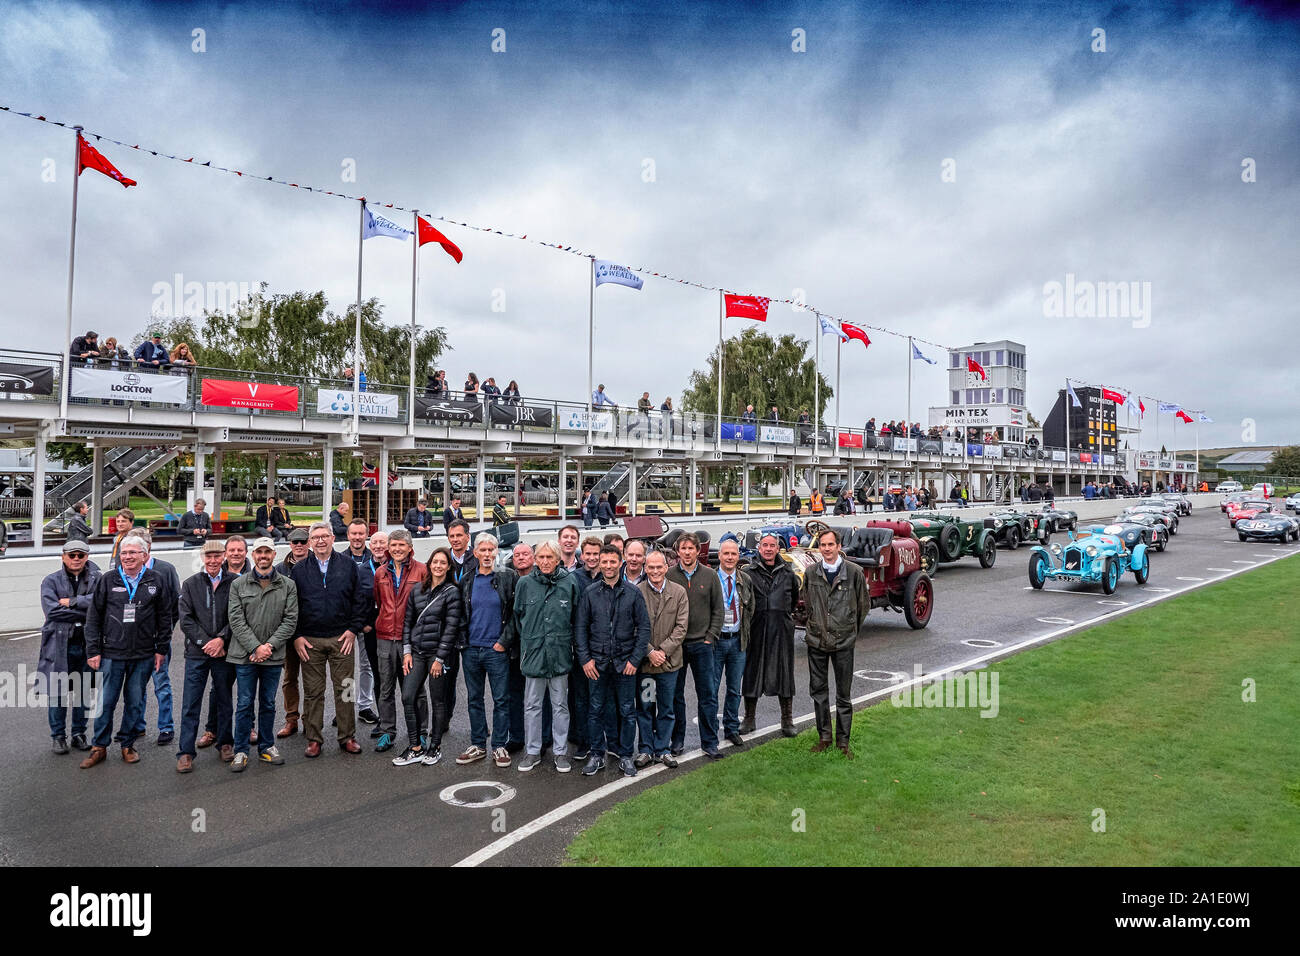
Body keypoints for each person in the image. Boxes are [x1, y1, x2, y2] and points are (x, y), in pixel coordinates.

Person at [79, 534, 170, 768]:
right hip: (112, 653)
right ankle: (99, 746)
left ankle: (127, 744)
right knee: (105, 702)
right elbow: (93, 618)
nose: (127, 557)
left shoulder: (156, 579)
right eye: (124, 553)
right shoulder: (107, 580)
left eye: (132, 553)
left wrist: (161, 649)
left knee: (135, 701)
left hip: (143, 654)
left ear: (144, 555)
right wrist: (93, 651)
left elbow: (164, 617)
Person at [289, 521, 368, 757]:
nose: (321, 541)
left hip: (341, 638)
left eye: (325, 536)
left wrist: (353, 630)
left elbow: (359, 599)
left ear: (333, 538)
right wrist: (297, 637)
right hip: (310, 641)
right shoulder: (299, 570)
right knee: (313, 692)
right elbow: (291, 607)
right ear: (310, 542)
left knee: (346, 689)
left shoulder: (348, 565)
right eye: (316, 537)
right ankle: (314, 739)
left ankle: (347, 736)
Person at [576, 544, 650, 777]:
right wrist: (585, 659)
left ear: (621, 563)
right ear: (600, 563)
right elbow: (580, 628)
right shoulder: (590, 593)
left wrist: (635, 660)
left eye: (612, 562)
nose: (608, 566)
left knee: (628, 710)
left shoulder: (633, 593)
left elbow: (644, 628)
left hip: (625, 663)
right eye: (604, 562)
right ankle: (597, 754)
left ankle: (626, 755)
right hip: (596, 664)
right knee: (595, 709)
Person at [226, 538, 296, 771]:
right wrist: (255, 647)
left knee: (268, 702)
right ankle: (241, 750)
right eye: (259, 552)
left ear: (274, 554)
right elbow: (236, 620)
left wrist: (269, 647)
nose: (263, 556)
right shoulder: (238, 585)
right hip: (245, 656)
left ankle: (266, 746)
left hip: (273, 657)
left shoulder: (287, 584)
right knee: (244, 703)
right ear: (253, 555)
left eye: (267, 552)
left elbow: (290, 620)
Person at [512, 540, 581, 773]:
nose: (544, 561)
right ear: (535, 559)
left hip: (560, 655)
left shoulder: (570, 582)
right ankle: (533, 751)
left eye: (549, 557)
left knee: (560, 705)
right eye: (540, 557)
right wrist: (531, 642)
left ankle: (560, 753)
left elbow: (575, 618)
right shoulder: (524, 583)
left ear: (558, 558)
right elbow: (518, 617)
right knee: (532, 705)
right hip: (533, 655)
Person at [801, 528, 870, 759]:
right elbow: (808, 603)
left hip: (844, 642)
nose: (827, 549)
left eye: (831, 545)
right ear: (819, 548)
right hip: (817, 641)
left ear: (839, 546)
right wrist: (816, 625)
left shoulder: (855, 573)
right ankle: (824, 737)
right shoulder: (811, 573)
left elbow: (863, 607)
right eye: (823, 545)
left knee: (843, 695)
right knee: (818, 692)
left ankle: (843, 741)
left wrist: (850, 630)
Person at [175, 540, 239, 772]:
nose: (213, 561)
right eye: (208, 556)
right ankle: (185, 752)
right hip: (197, 653)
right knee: (191, 703)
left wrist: (222, 639)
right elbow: (186, 619)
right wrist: (206, 642)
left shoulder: (235, 583)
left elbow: (237, 616)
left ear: (224, 556)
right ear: (203, 558)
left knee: (224, 700)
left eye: (217, 556)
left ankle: (225, 742)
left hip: (224, 651)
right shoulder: (191, 584)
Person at [396, 547, 462, 766]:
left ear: (448, 567)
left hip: (438, 656)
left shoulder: (452, 592)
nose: (438, 566)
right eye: (435, 562)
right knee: (407, 696)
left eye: (443, 563)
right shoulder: (417, 590)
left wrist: (440, 658)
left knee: (438, 700)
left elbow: (451, 628)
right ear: (429, 564)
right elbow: (407, 622)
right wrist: (407, 652)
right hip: (417, 652)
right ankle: (415, 746)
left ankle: (435, 747)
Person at [456, 533, 518, 768]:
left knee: (501, 699)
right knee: (474, 698)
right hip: (471, 649)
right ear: (475, 553)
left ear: (496, 552)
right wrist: (464, 642)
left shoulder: (508, 577)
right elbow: (461, 613)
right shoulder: (468, 579)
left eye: (491, 550)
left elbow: (514, 614)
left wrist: (504, 641)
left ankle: (499, 744)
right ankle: (478, 743)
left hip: (497, 650)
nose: (487, 554)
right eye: (483, 550)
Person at [39, 541, 101, 755]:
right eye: (72, 555)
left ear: (87, 557)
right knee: (57, 693)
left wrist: (73, 601)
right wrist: (86, 611)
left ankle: (78, 734)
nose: (76, 559)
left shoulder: (97, 579)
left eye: (80, 555)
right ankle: (58, 736)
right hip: (59, 645)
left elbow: (100, 605)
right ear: (63, 556)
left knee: (84, 692)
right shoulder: (50, 581)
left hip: (87, 644)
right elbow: (53, 612)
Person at [667, 532, 725, 760]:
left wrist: (710, 636)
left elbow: (718, 610)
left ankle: (710, 742)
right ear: (678, 551)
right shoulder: (669, 575)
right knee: (675, 696)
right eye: (684, 549)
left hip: (703, 644)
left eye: (692, 548)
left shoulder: (710, 575)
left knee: (708, 695)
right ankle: (677, 741)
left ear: (698, 551)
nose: (688, 552)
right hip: (677, 646)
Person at [372, 529, 426, 754]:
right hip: (385, 635)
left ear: (410, 548)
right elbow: (378, 600)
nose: (397, 549)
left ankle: (421, 732)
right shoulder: (381, 573)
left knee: (415, 689)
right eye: (393, 545)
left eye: (401, 545)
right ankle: (387, 731)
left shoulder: (422, 570)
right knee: (385, 688)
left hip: (411, 638)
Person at [741, 531, 800, 737]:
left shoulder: (788, 573)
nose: (768, 549)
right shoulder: (748, 572)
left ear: (777, 548)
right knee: (752, 673)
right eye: (764, 545)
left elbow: (794, 599)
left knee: (785, 674)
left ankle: (787, 720)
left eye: (772, 546)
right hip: (756, 628)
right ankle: (749, 718)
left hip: (781, 629)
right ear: (759, 548)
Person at [634, 549, 688, 769]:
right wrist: (649, 652)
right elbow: (633, 626)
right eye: (651, 567)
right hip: (646, 666)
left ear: (666, 568)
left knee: (666, 707)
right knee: (646, 707)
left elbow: (681, 627)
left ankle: (663, 749)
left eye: (659, 567)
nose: (655, 571)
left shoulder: (679, 592)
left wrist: (662, 652)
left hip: (669, 665)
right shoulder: (636, 592)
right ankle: (646, 749)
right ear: (645, 569)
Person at [713, 535, 754, 749]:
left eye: (733, 554)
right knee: (711, 689)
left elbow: (751, 608)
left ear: (739, 556)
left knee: (733, 689)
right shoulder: (711, 579)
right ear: (719, 555)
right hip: (717, 641)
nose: (730, 557)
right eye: (726, 553)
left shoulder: (745, 579)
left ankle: (731, 728)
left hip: (738, 641)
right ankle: (710, 731)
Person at [343, 520, 382, 731]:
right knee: (345, 669)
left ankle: (364, 706)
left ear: (366, 535)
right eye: (353, 534)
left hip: (367, 625)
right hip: (346, 625)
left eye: (361, 534)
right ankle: (345, 706)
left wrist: (366, 622)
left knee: (367, 666)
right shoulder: (339, 559)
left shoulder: (375, 558)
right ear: (348, 535)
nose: (357, 537)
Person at [275, 527, 310, 738]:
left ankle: (310, 720)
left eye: (303, 541)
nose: (299, 545)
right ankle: (291, 719)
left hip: (310, 632)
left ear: (309, 543)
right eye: (295, 542)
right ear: (290, 544)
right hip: (287, 634)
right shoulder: (280, 569)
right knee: (289, 679)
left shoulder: (317, 564)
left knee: (312, 680)